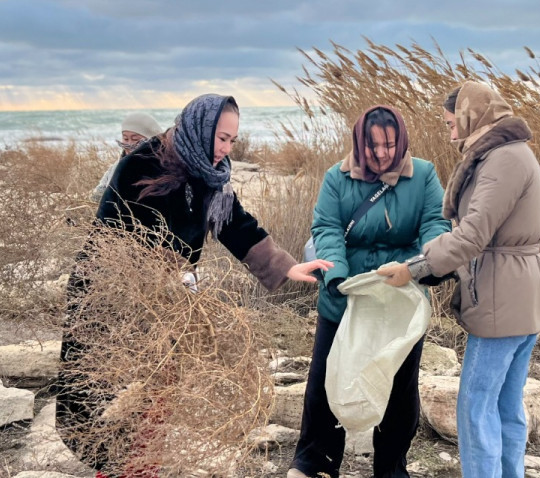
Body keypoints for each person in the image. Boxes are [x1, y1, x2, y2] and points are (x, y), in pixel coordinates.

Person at [56, 94, 333, 478]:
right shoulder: (139, 165)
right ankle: (115, 469)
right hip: (113, 298)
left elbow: (236, 224)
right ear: (200, 129)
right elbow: (109, 241)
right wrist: (156, 276)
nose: (226, 149)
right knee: (109, 396)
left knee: (161, 392)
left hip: (172, 304)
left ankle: (143, 469)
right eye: (221, 138)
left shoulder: (211, 177)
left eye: (232, 141)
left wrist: (287, 267)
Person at [378, 82, 540, 478]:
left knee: (475, 407)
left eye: (452, 123)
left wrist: (416, 268)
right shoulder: (511, 154)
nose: (451, 132)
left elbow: (473, 235)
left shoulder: (502, 160)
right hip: (520, 293)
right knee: (506, 407)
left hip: (501, 297)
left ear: (473, 115)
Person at [289, 106, 450, 478]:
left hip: (400, 296)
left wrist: (426, 265)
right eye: (372, 146)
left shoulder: (423, 174)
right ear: (359, 143)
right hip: (344, 295)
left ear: (402, 142)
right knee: (325, 384)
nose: (381, 154)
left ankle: (392, 469)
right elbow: (327, 228)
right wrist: (338, 278)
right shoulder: (336, 177)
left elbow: (434, 225)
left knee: (399, 390)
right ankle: (315, 464)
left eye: (390, 145)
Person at [88, 112, 162, 203]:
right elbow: (97, 196)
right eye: (126, 139)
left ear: (150, 140)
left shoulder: (162, 166)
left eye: (135, 139)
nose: (129, 144)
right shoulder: (116, 166)